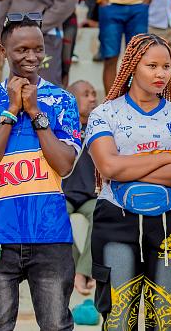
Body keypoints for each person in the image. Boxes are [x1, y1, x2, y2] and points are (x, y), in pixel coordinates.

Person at [0, 14, 82, 330]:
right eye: (21, 50)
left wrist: (34, 112)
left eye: (37, 49)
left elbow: (64, 164)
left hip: (51, 234)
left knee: (56, 326)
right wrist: (11, 110)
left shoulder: (63, 100)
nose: (32, 57)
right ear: (2, 50)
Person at [86, 33, 171, 330]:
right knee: (119, 319)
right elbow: (108, 166)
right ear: (133, 66)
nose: (161, 74)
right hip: (116, 221)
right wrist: (166, 157)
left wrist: (128, 169)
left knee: (166, 319)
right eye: (152, 66)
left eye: (166, 66)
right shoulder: (105, 114)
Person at [63, 80, 98, 297]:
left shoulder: (100, 128)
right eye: (86, 94)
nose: (93, 98)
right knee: (55, 217)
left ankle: (83, 271)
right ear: (73, 100)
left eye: (94, 93)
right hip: (64, 194)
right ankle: (78, 268)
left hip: (91, 196)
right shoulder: (62, 128)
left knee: (101, 213)